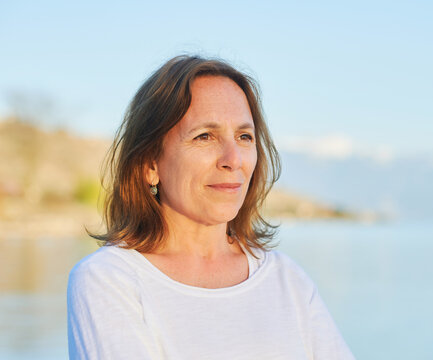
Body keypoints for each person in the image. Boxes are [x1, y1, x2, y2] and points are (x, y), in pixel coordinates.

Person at [67, 55, 354, 359]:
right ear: (150, 163)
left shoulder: (288, 280)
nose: (234, 159)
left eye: (245, 137)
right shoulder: (109, 280)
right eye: (205, 136)